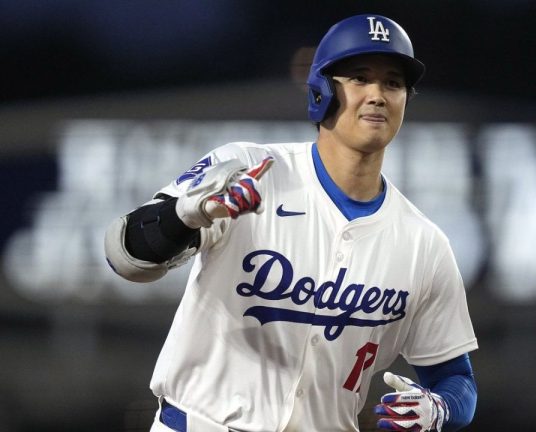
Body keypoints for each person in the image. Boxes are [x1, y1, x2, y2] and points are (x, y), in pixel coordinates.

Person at [105, 13, 478, 432]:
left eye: (392, 83)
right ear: (321, 90)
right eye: (359, 78)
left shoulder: (423, 242)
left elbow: (457, 380)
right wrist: (184, 215)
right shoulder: (248, 169)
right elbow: (126, 257)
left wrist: (438, 407)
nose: (377, 95)